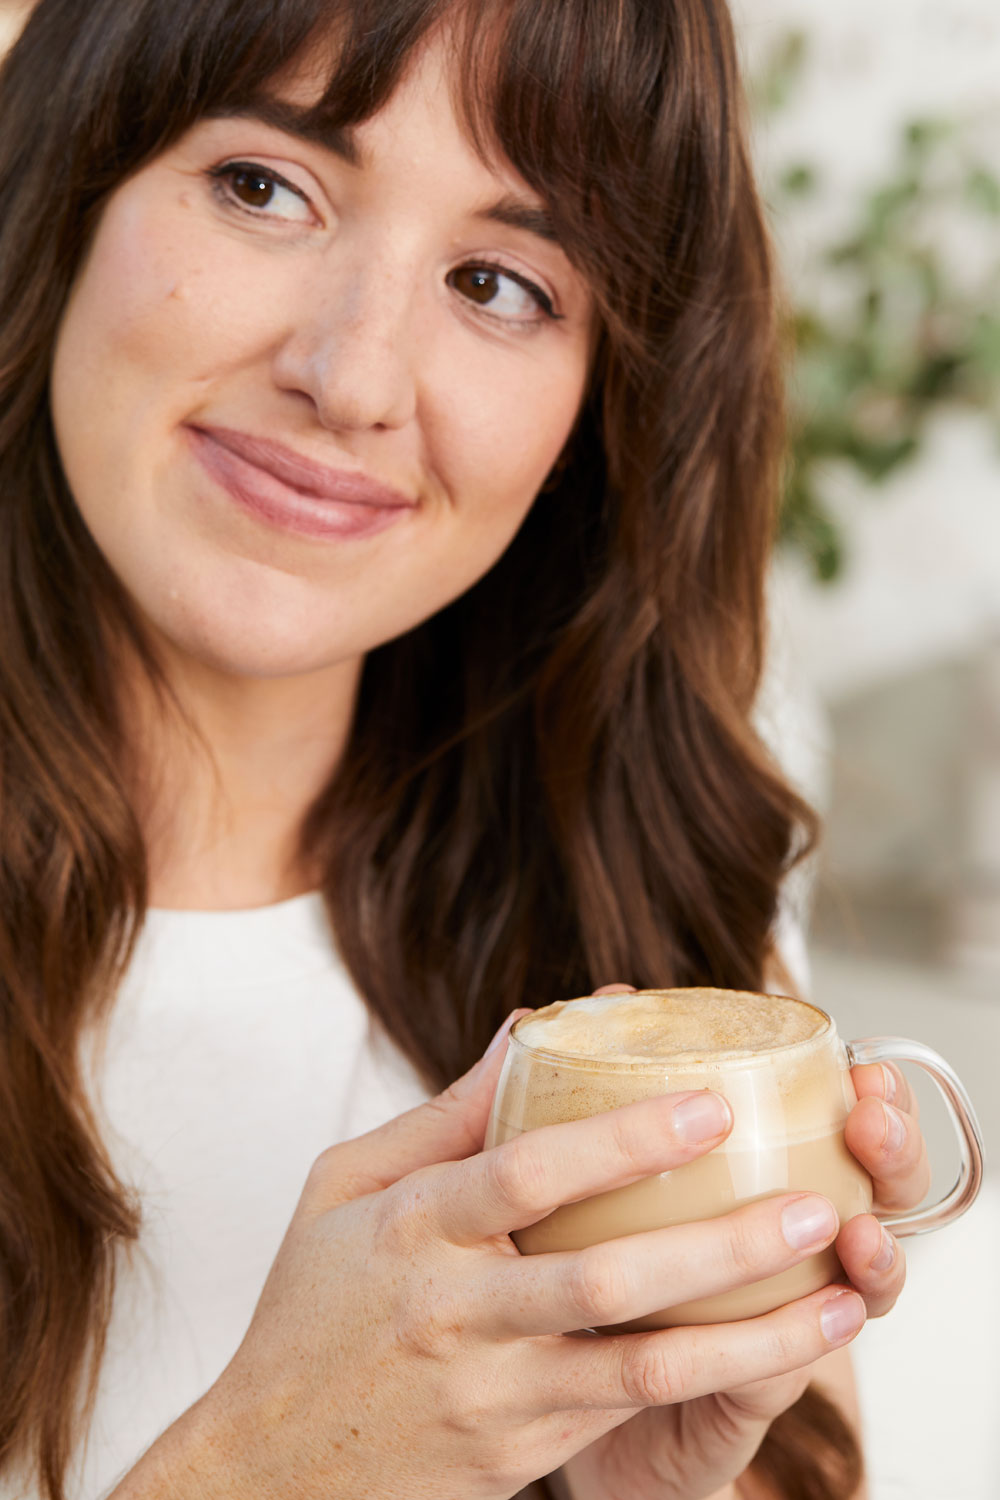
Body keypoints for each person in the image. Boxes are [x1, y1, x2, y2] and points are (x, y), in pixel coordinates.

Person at [0, 1, 930, 1497]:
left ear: (599, 409)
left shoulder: (645, 923)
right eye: (263, 186)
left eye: (499, 283)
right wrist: (263, 1473)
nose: (352, 377)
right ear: (65, 179)